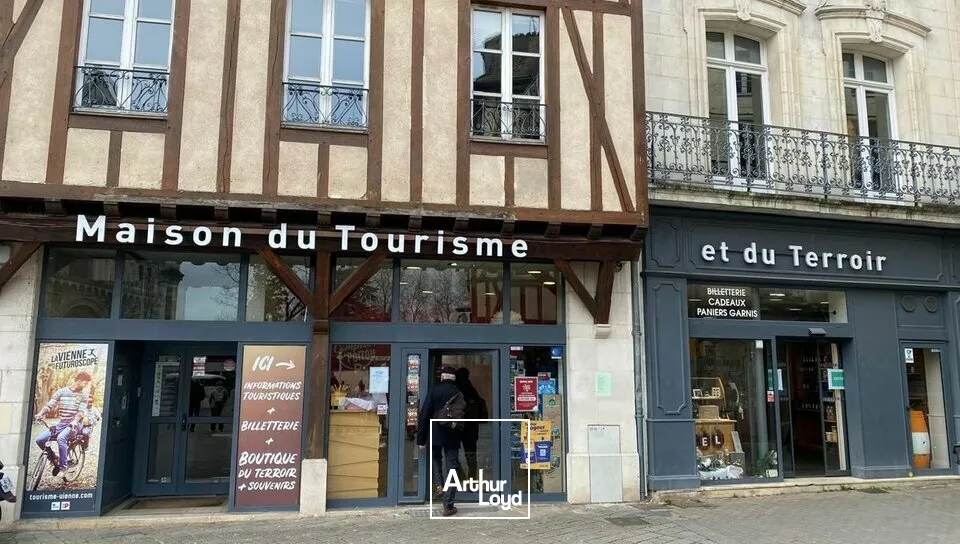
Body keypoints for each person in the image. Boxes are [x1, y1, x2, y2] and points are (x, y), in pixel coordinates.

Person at [416, 365, 464, 517]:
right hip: (452, 434)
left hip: (435, 433)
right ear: (454, 379)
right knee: (452, 467)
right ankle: (448, 505)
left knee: (436, 459)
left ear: (442, 377)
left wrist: (421, 439)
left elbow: (424, 415)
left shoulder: (434, 391)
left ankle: (439, 485)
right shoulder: (459, 392)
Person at [34, 371, 91, 477]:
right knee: (40, 440)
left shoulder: (84, 395)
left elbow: (81, 412)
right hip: (61, 424)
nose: (86, 385)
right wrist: (41, 413)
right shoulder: (61, 392)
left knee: (61, 438)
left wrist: (75, 420)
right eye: (85, 383)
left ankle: (63, 467)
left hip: (75, 424)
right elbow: (50, 404)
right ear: (79, 380)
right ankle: (54, 459)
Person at [455, 367, 488, 480]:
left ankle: (462, 477)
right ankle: (472, 478)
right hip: (471, 427)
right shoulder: (472, 390)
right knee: (471, 454)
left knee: (452, 454)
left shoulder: (457, 389)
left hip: (458, 427)